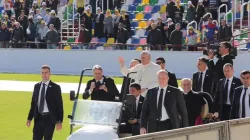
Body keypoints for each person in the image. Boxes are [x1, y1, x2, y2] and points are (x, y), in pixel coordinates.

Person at [140, 70, 188, 134]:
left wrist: (185, 129)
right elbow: (144, 111)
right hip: (154, 126)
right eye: (159, 78)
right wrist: (143, 126)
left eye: (163, 78)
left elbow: (183, 112)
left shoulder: (176, 92)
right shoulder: (151, 92)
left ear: (167, 79)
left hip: (170, 125)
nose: (161, 80)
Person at [26, 65, 63, 140]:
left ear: (50, 74)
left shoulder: (55, 87)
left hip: (49, 119)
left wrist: (59, 121)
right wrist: (29, 118)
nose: (44, 75)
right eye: (42, 73)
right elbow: (33, 104)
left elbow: (59, 105)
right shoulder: (37, 86)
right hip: (38, 118)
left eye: (46, 72)